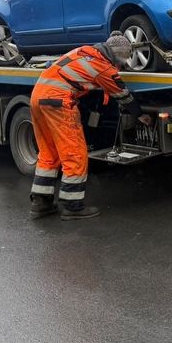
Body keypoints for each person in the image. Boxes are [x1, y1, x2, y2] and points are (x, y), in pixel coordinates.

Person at [28, 32, 143, 220]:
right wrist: (139, 114)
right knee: (75, 152)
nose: (122, 65)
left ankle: (41, 203)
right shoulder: (103, 67)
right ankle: (71, 206)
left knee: (49, 152)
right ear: (118, 56)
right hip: (59, 102)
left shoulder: (84, 51)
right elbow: (122, 94)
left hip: (37, 98)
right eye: (123, 61)